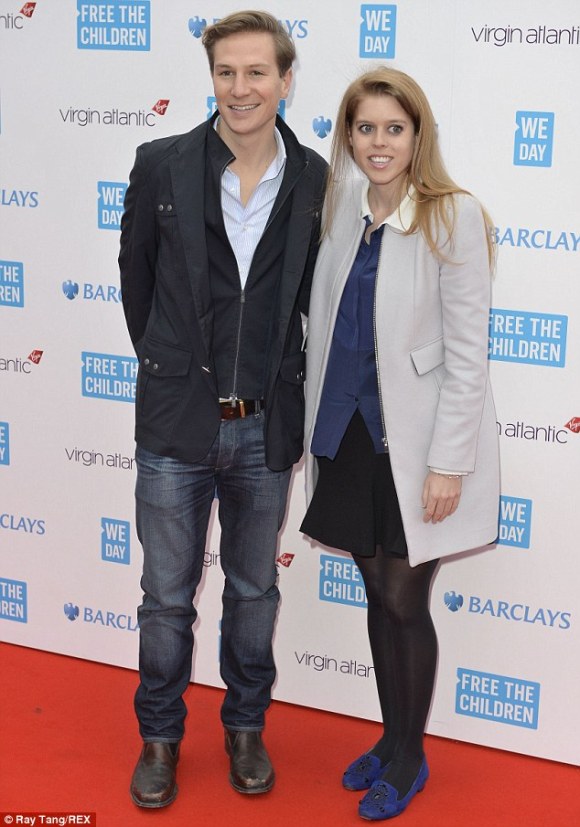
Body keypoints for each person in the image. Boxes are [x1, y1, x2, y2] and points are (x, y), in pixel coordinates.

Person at [119, 10, 326, 808]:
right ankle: (160, 739)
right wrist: (175, 369)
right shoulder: (161, 163)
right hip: (176, 426)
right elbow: (137, 282)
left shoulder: (312, 179)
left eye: (257, 73)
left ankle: (246, 726)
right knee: (166, 596)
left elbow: (308, 295)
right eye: (226, 73)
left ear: (284, 79)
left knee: (253, 592)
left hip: (264, 427)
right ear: (212, 78)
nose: (241, 89)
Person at [301, 67, 500, 821]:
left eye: (393, 127)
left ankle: (411, 758)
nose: (378, 143)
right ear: (347, 136)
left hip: (415, 445)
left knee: (403, 599)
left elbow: (468, 354)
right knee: (375, 596)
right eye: (365, 128)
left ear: (418, 135)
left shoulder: (452, 215)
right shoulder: (344, 207)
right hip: (347, 438)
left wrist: (450, 462)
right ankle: (391, 738)